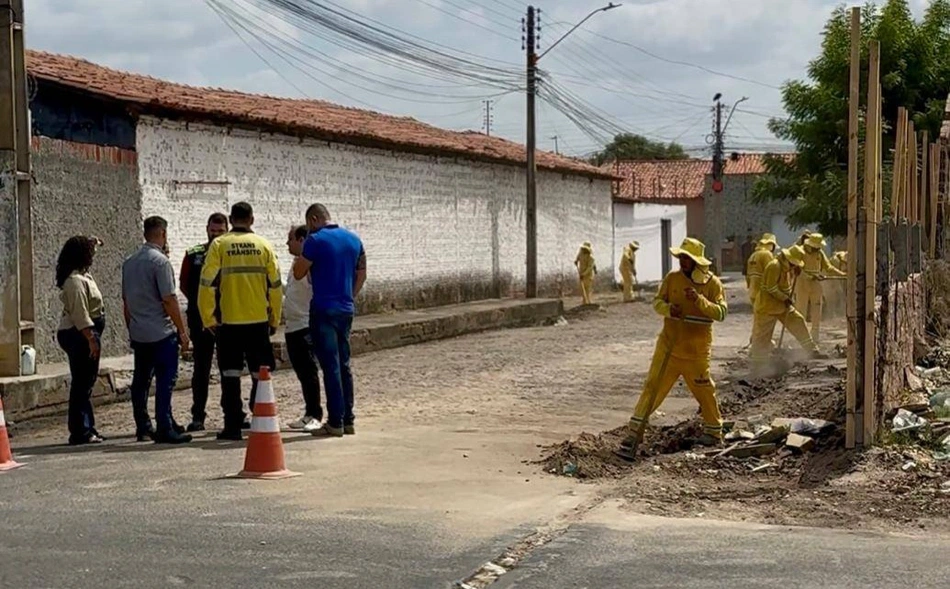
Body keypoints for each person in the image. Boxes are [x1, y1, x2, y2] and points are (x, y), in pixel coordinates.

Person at [617, 238, 728, 459]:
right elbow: (657, 302)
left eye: (687, 258)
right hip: (668, 347)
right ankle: (634, 434)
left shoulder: (713, 284)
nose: (682, 261)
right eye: (681, 257)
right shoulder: (672, 279)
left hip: (696, 352)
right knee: (652, 388)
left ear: (697, 262)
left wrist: (699, 300)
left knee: (705, 390)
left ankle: (714, 431)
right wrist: (669, 309)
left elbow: (721, 313)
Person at [199, 202, 282, 441]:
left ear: (231, 218)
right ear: (252, 219)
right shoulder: (264, 245)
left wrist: (208, 317)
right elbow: (276, 287)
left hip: (230, 322)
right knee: (260, 373)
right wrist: (274, 318)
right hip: (258, 321)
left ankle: (232, 425)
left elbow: (206, 284)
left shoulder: (219, 245)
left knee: (230, 374)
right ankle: (260, 418)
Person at [293, 203, 366, 438]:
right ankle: (348, 419)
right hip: (346, 308)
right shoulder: (354, 240)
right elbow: (362, 273)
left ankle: (335, 421)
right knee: (344, 364)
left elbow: (298, 272)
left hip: (323, 309)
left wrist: (307, 253)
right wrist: (350, 296)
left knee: (330, 366)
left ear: (314, 219)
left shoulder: (315, 240)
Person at [122, 216, 193, 444]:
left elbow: (126, 302)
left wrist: (131, 328)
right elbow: (169, 299)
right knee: (165, 380)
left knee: (141, 381)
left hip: (139, 331)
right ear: (163, 234)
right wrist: (182, 331)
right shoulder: (160, 262)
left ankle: (144, 426)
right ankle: (164, 426)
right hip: (161, 332)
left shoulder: (129, 263)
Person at [179, 212, 229, 432]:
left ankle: (233, 413)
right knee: (201, 368)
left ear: (227, 230)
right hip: (200, 318)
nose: (215, 235)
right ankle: (198, 415)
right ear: (207, 229)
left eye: (220, 231)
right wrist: (201, 304)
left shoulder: (231, 252)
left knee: (229, 367)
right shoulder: (194, 254)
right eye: (213, 230)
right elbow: (184, 284)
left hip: (227, 316)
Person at [56, 235, 107, 445]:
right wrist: (91, 339)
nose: (92, 256)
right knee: (82, 382)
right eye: (88, 252)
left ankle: (88, 427)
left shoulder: (83, 275)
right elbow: (80, 314)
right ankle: (80, 430)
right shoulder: (74, 281)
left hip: (84, 334)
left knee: (86, 381)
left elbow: (93, 248)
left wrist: (93, 242)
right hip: (79, 335)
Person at [750, 245, 824, 378]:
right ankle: (758, 365)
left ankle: (811, 350)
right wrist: (785, 298)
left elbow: (787, 285)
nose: (793, 267)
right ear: (787, 260)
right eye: (792, 264)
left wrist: (797, 273)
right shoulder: (774, 266)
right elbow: (771, 288)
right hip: (767, 307)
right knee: (762, 337)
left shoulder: (787, 269)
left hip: (782, 305)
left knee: (798, 321)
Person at [284, 224, 323, 431]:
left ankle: (316, 414)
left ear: (301, 240)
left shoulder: (308, 266)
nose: (287, 243)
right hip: (292, 326)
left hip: (304, 325)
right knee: (301, 372)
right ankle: (308, 412)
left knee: (309, 372)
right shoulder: (295, 264)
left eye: (290, 239)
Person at [795, 232, 846, 344]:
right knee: (801, 311)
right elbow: (798, 270)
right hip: (802, 284)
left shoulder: (819, 253)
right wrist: (810, 276)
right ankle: (801, 336)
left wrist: (842, 274)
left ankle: (815, 337)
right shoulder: (800, 252)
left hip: (816, 285)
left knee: (817, 311)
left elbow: (828, 267)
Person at [745, 233, 778, 306]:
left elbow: (748, 276)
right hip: (763, 293)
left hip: (752, 291)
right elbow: (771, 272)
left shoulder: (753, 255)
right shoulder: (767, 254)